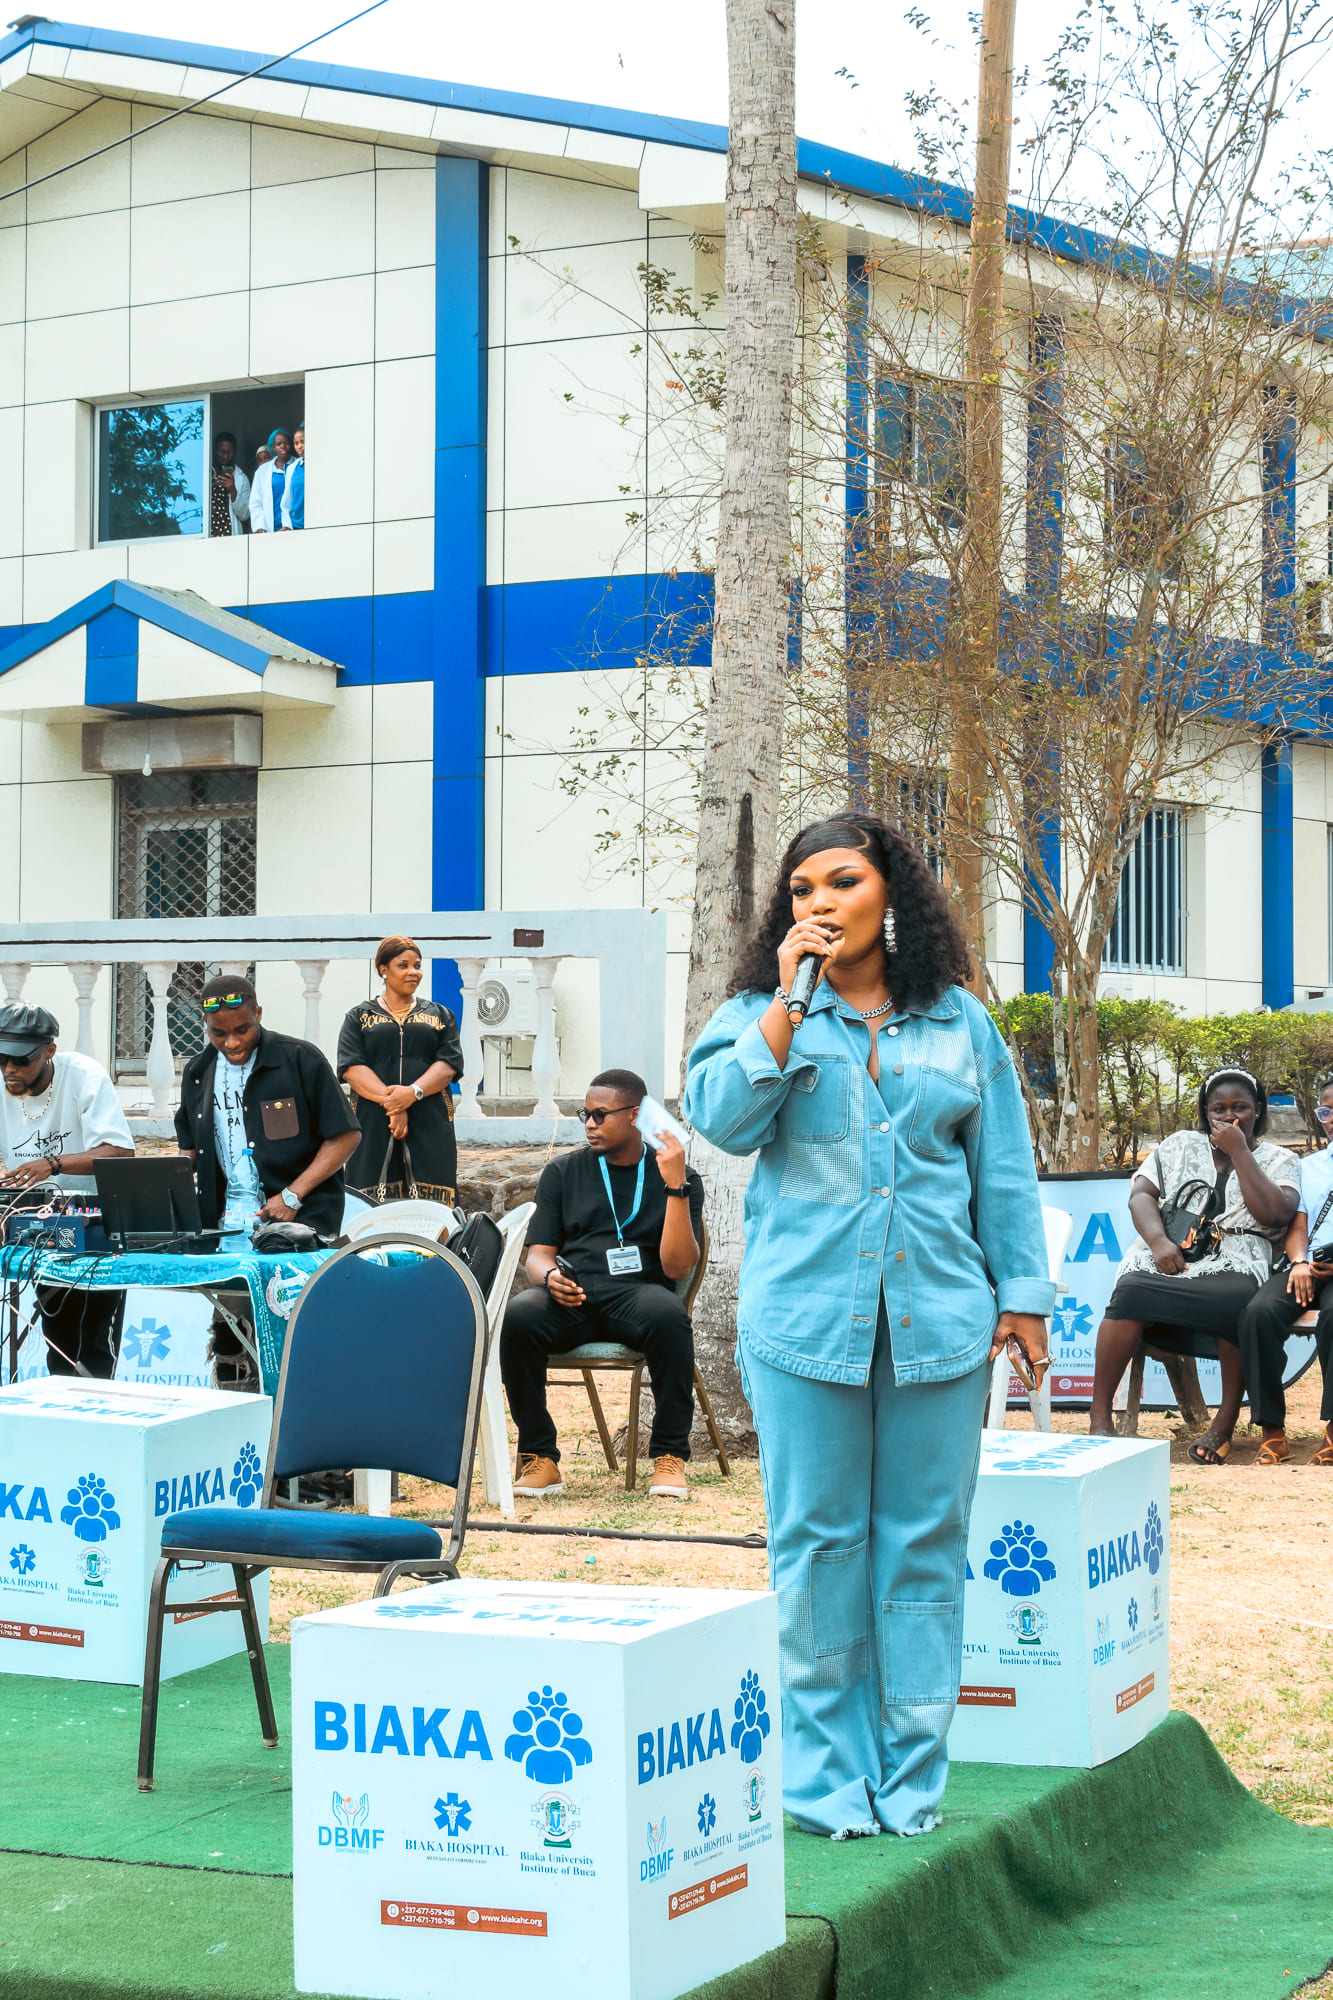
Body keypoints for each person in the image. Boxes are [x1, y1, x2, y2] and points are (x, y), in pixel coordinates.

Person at [683, 813, 1053, 1839]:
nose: (819, 903)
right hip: (803, 1322)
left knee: (924, 1545)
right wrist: (783, 1011)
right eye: (801, 889)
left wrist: (1022, 1295)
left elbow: (1002, 1167)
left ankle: (911, 1776)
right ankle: (823, 1780)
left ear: (891, 892)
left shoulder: (957, 1021)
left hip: (941, 1317)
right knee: (817, 1546)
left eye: (841, 881)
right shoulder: (759, 1011)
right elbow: (719, 1121)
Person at [501, 1067, 704, 1500]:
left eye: (600, 1115)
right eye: (585, 1115)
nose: (590, 1124)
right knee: (519, 1316)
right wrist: (550, 1277)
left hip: (639, 1295)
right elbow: (538, 1254)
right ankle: (539, 1456)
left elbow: (676, 1268)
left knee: (669, 1316)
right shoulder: (563, 1172)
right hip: (573, 1294)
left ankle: (669, 1455)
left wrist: (675, 1187)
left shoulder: (677, 1174)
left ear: (635, 1115)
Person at [1089, 1069, 1299, 1464]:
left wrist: (1239, 1152)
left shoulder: (1280, 1159)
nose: (1229, 1116)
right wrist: (1158, 1242)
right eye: (1218, 1109)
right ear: (1205, 1112)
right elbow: (1141, 1195)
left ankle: (1224, 1423)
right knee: (1131, 1291)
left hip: (1238, 1252)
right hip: (1171, 1246)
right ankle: (1099, 1418)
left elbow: (1275, 1214)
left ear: (1258, 1109)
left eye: (1240, 1108)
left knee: (1236, 1299)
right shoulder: (1179, 1144)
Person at [174, 976, 360, 1389]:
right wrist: (164, 1183)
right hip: (227, 1229)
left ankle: (301, 1414)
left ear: (258, 1014)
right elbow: (190, 1150)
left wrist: (293, 1195)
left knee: (294, 1327)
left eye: (242, 1029)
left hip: (300, 1225)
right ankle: (237, 1408)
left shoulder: (300, 1059)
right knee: (230, 1327)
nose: (232, 1042)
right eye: (218, 1033)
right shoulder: (198, 1072)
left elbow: (345, 1135)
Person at [0, 1002, 134, 1376]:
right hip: (37, 1223)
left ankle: (96, 1407)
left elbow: (119, 1151)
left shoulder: (83, 1076)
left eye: (20, 1060)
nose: (9, 1070)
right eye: (1, 1059)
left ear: (49, 1051)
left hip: (97, 1225)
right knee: (58, 1340)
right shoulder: (4, 1083)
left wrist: (52, 1163)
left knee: (94, 1343)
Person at [1236, 1074, 1333, 1467]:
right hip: (1310, 1261)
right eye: (1326, 1111)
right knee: (1258, 1314)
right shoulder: (1309, 1167)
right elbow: (1299, 1225)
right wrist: (1299, 1263)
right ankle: (1272, 1432)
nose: (1331, 1119)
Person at [337, 937, 463, 1203]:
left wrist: (412, 1093)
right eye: (403, 965)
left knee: (433, 1197)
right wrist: (394, 1104)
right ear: (383, 969)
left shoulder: (441, 1016)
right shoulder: (358, 1017)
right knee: (369, 1198)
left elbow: (449, 1064)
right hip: (373, 1117)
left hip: (429, 1115)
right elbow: (352, 1067)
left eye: (417, 965)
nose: (413, 972)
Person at [249, 429, 293, 533]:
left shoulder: (298, 467)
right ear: (273, 447)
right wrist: (259, 527)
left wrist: (290, 525)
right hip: (269, 530)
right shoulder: (262, 471)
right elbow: (256, 503)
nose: (283, 446)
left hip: (294, 528)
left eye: (286, 443)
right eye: (278, 444)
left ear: (291, 445)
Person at [209, 432, 250, 537]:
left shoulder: (241, 478)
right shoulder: (206, 474)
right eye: (222, 452)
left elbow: (245, 515)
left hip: (230, 537)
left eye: (230, 452)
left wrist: (233, 490)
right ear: (214, 450)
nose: (226, 457)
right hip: (208, 535)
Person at [281, 424, 305, 530]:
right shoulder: (292, 468)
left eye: (302, 442)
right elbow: (286, 501)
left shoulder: (321, 465)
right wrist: (287, 525)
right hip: (297, 526)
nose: (299, 446)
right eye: (296, 443)